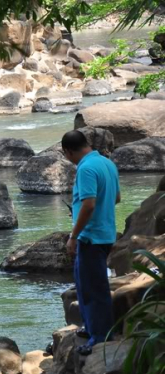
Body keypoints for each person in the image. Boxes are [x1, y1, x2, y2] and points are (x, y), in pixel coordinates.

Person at [62, 130, 121, 356]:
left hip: (90, 236)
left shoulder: (86, 168)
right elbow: (116, 198)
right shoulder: (107, 164)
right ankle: (91, 328)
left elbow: (88, 205)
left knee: (94, 288)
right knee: (85, 284)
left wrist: (73, 235)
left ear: (68, 151)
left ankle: (101, 337)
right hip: (104, 232)